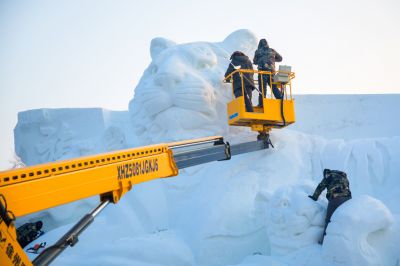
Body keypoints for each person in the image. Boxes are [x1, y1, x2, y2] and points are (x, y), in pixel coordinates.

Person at [308, 169, 352, 244]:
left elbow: (321, 186)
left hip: (336, 198)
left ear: (326, 173)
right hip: (348, 200)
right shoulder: (343, 176)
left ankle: (325, 241)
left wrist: (314, 197)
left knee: (329, 220)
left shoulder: (329, 175)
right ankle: (346, 240)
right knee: (343, 220)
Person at [253, 39, 283, 105]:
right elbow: (280, 58)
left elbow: (254, 61)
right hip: (271, 71)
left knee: (262, 88)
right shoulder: (272, 50)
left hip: (262, 72)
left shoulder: (258, 51)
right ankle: (280, 98)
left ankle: (262, 103)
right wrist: (273, 59)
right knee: (274, 86)